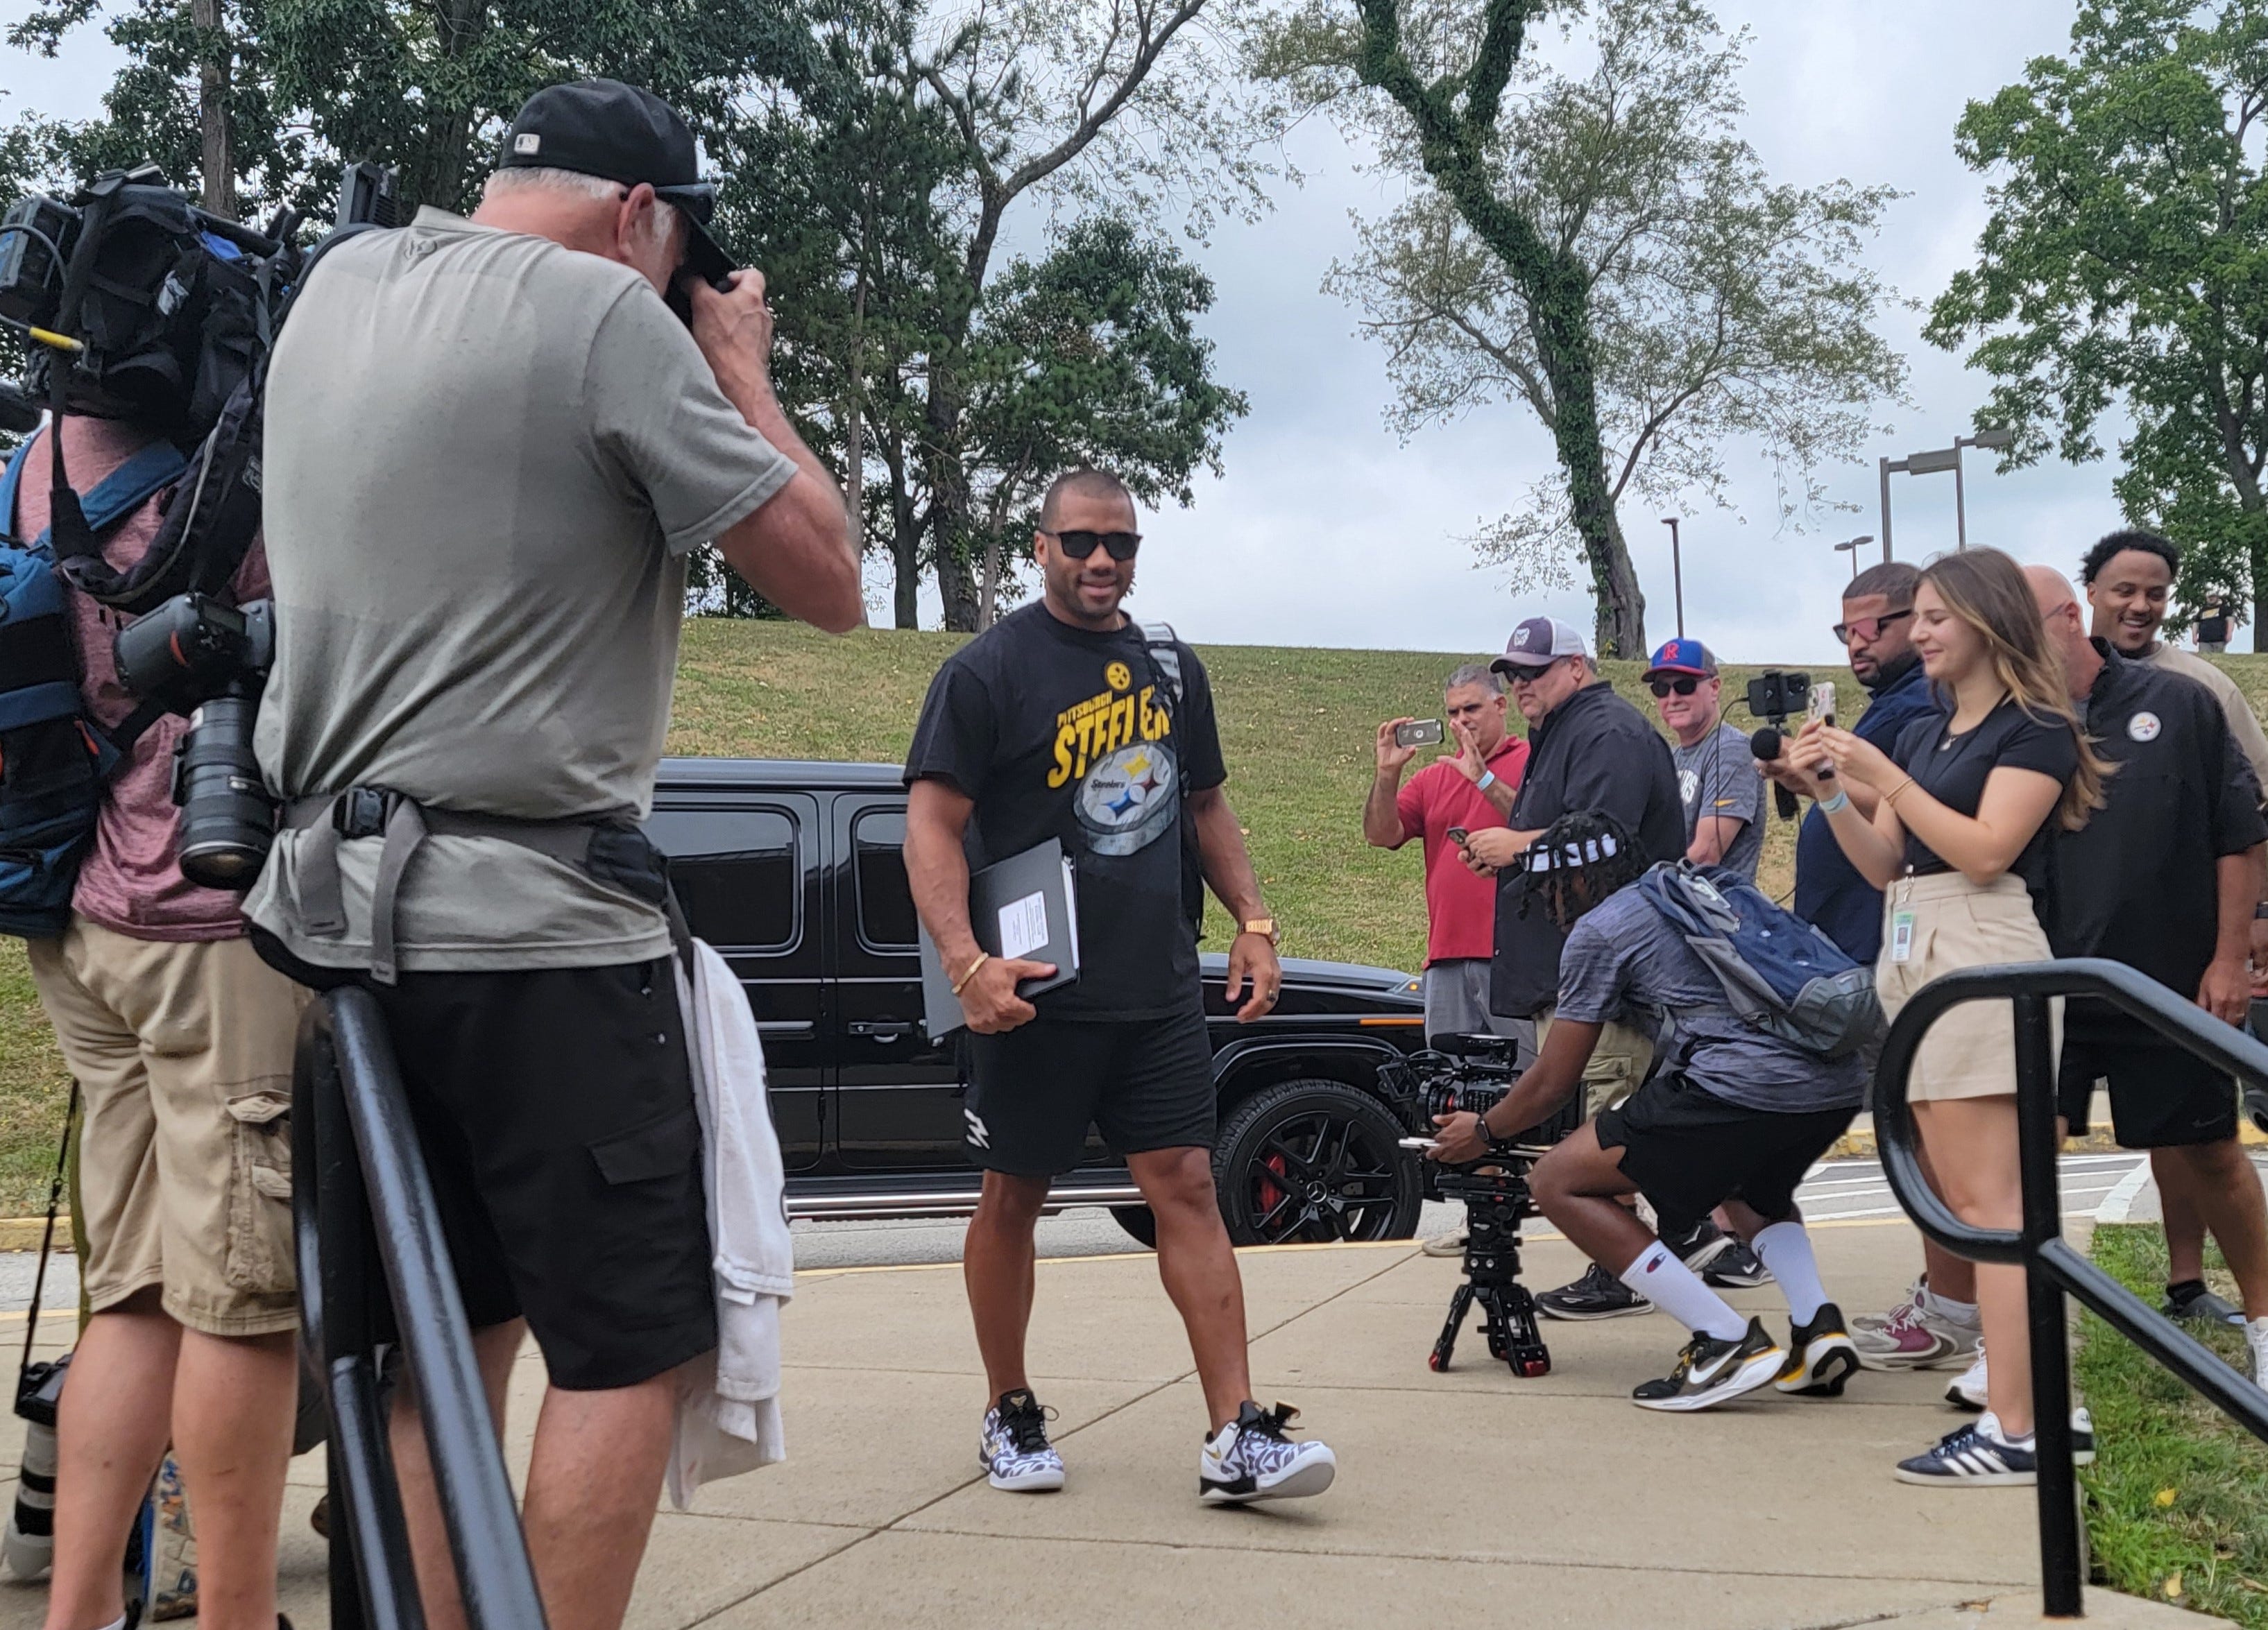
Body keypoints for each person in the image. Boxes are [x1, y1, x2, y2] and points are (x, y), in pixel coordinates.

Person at [245, 80, 862, 1630]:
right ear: (638, 216)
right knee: (624, 1350)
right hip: (539, 929)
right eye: (673, 258)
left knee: (433, 1348)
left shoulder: (335, 287)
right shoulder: (606, 315)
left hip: (343, 929)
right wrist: (736, 370)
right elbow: (829, 576)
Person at [903, 465, 1337, 1506]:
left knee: (1188, 1185)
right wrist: (966, 962)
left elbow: (1206, 806)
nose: (1104, 561)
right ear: (1040, 546)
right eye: (1082, 541)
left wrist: (1256, 924)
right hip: (1034, 994)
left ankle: (1236, 1432)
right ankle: (1009, 1410)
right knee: (1014, 1196)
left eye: (1123, 544)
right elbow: (931, 824)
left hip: (1154, 993)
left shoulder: (1171, 669)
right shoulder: (986, 672)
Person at [14, 407, 305, 1630]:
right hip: (204, 921)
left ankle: (78, 1613)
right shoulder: (228, 474)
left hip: (73, 912)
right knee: (242, 1303)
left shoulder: (36, 463)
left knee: (128, 1298)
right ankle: (234, 1617)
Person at [1787, 547, 2109, 1486]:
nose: (1918, 633)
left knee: (1992, 1209)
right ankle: (2027, 1412)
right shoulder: (1931, 732)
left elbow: (1983, 849)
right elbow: (1887, 863)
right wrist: (1837, 794)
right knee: (1979, 1208)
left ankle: (2020, 1423)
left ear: (1987, 620)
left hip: (1979, 946)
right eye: (1916, 617)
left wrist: (1884, 773)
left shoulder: (2034, 727)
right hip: (1916, 943)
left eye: (1934, 616)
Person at [1428, 812, 1865, 1412]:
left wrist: (1482, 1130)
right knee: (1746, 1185)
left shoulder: (1600, 929)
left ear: (1574, 881)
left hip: (1742, 1083)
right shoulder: (1694, 885)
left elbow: (1554, 1080)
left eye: (1550, 889)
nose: (1550, 906)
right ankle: (1817, 1325)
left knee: (1557, 1181)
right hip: (1834, 1079)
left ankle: (1723, 1339)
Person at [2027, 565, 2268, 1394]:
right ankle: (2015, 1354)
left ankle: (2266, 1329)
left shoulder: (2181, 702)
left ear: (2066, 616)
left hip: (2163, 980)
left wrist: (2229, 956)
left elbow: (2237, 836)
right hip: (2041, 989)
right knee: (2022, 1156)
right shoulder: (2006, 714)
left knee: (2208, 1151)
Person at [1763, 565, 1977, 1367]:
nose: (1859, 643)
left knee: (1932, 1139)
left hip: (1901, 948)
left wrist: (1838, 777)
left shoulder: (1920, 709)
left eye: (1874, 628)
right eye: (1844, 631)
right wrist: (1812, 783)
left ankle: (1957, 1307)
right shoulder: (1889, 711)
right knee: (1915, 1133)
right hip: (1853, 947)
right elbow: (1865, 827)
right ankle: (1948, 1301)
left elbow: (1912, 842)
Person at [1458, 617, 1688, 1319]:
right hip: (1576, 973)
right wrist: (1509, 841)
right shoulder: (1564, 732)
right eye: (1514, 674)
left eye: (1536, 670)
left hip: (1612, 978)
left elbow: (1605, 843)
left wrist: (1517, 848)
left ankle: (1623, 1272)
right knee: (1596, 1123)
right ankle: (1670, 1247)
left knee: (1605, 1126)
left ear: (1578, 667)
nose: (1521, 684)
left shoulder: (1606, 732)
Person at [2082, 528, 2268, 1328]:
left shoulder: (2197, 691)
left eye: (2154, 592)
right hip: (2074, 962)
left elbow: (2250, 815)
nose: (2139, 605)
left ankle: (2215, 1294)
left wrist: (2250, 929)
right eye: (2123, 588)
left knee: (2199, 1136)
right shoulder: (2046, 686)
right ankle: (1999, 1327)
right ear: (2088, 591)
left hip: (2176, 951)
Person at [1365, 664, 1531, 1046]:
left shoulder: (1530, 759)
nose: (1461, 721)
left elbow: (1541, 823)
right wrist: (1387, 775)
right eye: (1453, 712)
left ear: (1501, 705)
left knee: (1526, 1080)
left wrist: (1484, 779)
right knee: (1448, 1077)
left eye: (1471, 709)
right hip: (1446, 957)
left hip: (1513, 959)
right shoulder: (1434, 777)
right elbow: (1380, 834)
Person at [1644, 639, 1765, 880]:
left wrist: (1639, 887)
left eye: (1685, 686)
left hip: (1713, 910)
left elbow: (1705, 855)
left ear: (1715, 688)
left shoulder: (1732, 751)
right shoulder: (1673, 756)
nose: (1672, 698)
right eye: (1661, 688)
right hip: (1673, 900)